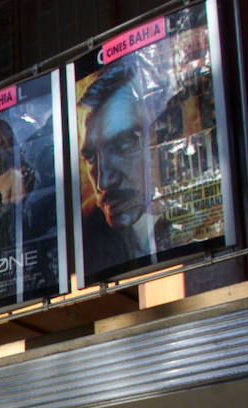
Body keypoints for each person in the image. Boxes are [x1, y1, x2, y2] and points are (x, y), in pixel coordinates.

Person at [77, 58, 170, 279]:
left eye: (124, 144)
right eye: (90, 157)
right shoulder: (88, 240)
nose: (104, 181)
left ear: (162, 133)